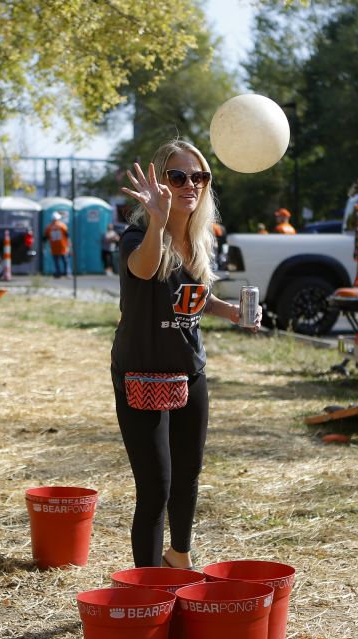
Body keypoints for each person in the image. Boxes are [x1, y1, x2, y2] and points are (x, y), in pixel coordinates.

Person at [112, 139, 260, 570]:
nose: (189, 184)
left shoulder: (198, 240)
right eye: (177, 176)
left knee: (187, 476)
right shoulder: (138, 236)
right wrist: (158, 220)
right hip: (141, 375)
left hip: (188, 372)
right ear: (160, 182)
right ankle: (148, 591)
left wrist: (230, 311)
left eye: (199, 177)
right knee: (156, 486)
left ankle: (179, 556)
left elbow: (191, 297)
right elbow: (145, 268)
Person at [45, 211, 71, 278]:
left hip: (54, 247)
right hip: (63, 246)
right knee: (65, 261)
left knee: (57, 261)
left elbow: (45, 238)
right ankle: (67, 273)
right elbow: (67, 235)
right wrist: (69, 245)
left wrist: (44, 247)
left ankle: (58, 273)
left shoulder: (49, 227)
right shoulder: (62, 225)